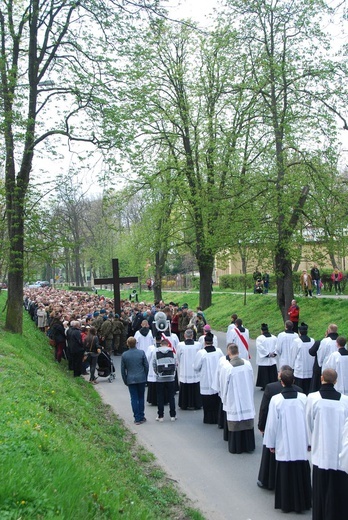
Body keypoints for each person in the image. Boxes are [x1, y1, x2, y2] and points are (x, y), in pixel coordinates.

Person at [264, 369, 311, 514]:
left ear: (282, 382)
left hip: (284, 443)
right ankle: (302, 502)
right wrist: (310, 441)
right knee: (301, 471)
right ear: (294, 381)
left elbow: (271, 424)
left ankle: (286, 503)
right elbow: (309, 421)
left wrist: (270, 444)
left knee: (285, 473)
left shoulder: (276, 400)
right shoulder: (304, 398)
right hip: (301, 441)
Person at [306, 368, 348, 520]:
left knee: (321, 487)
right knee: (338, 487)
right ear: (336, 381)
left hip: (321, 449)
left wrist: (311, 441)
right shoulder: (345, 400)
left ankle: (320, 514)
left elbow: (308, 421)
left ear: (321, 378)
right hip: (339, 451)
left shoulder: (313, 398)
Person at [257, 366, 303, 490]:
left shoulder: (271, 388)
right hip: (296, 430)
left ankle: (269, 480)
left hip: (277, 430)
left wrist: (261, 426)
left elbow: (264, 409)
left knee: (271, 456)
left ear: (280, 377)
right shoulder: (300, 391)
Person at [222, 344, 255, 454]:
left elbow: (223, 385)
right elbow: (251, 379)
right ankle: (248, 445)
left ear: (229, 353)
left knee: (236, 421)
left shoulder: (227, 367)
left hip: (234, 397)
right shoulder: (247, 364)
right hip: (246, 396)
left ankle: (237, 447)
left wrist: (224, 398)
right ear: (238, 352)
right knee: (246, 419)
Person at [194, 332, 224, 424]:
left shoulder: (201, 353)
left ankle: (208, 418)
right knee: (216, 399)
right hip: (216, 379)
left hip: (206, 379)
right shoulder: (218, 351)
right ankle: (217, 418)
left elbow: (196, 367)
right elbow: (223, 362)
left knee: (207, 400)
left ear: (204, 342)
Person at [121, 336, 149, 425]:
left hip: (131, 379)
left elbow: (122, 369)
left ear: (127, 344)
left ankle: (137, 417)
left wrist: (125, 379)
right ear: (136, 343)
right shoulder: (141, 353)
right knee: (141, 397)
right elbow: (146, 366)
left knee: (134, 398)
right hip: (141, 378)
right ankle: (141, 415)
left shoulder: (124, 355)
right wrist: (145, 376)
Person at [177, 329, 202, 410]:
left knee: (185, 385)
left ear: (184, 336)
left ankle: (184, 404)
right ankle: (197, 404)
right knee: (195, 385)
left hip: (185, 370)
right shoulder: (198, 345)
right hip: (195, 370)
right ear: (192, 336)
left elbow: (178, 357)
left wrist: (181, 364)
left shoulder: (180, 345)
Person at [153, 337, 177, 422]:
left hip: (160, 378)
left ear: (160, 344)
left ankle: (160, 416)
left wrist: (157, 373)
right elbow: (175, 363)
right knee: (171, 397)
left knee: (160, 397)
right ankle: (173, 415)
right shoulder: (172, 352)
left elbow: (154, 364)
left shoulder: (156, 352)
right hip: (170, 377)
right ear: (167, 344)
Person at [291, 322, 315, 395]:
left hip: (300, 368)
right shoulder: (312, 340)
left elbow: (293, 355)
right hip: (310, 366)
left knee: (300, 388)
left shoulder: (296, 341)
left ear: (299, 332)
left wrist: (292, 367)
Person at [255, 323, 278, 390]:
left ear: (262, 331)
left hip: (264, 359)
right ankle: (273, 384)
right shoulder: (274, 337)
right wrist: (274, 353)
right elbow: (277, 346)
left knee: (264, 373)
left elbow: (260, 348)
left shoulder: (260, 338)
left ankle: (264, 385)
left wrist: (267, 354)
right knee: (272, 373)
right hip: (272, 358)